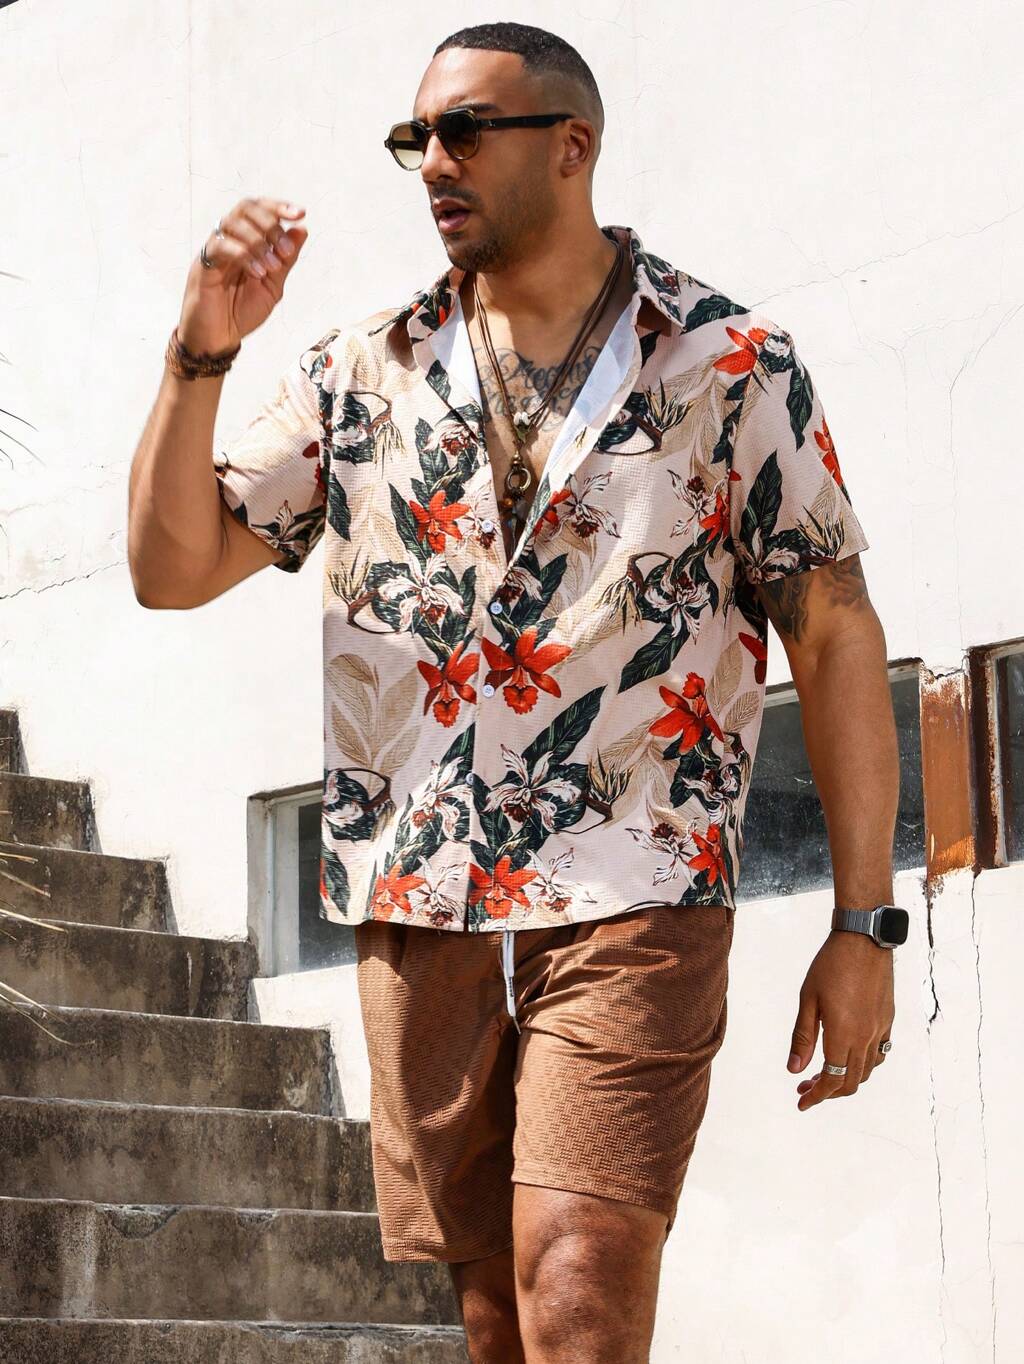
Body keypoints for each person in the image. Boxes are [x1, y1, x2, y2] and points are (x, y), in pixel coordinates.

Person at [127, 20, 905, 1364]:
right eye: (416, 139)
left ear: (571, 146)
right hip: (419, 900)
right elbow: (171, 567)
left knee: (578, 1280)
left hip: (633, 886)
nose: (434, 161)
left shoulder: (728, 365)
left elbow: (833, 633)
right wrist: (197, 354)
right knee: (497, 1320)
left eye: (465, 130)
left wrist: (863, 923)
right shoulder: (358, 373)